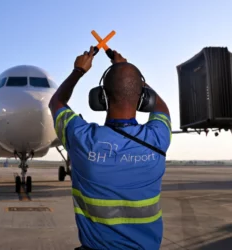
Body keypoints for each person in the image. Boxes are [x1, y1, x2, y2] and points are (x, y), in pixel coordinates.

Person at [48, 46, 171, 250]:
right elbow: (161, 108)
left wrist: (78, 71)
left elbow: (56, 102)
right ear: (143, 99)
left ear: (100, 98)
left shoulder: (82, 139)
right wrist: (126, 69)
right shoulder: (158, 139)